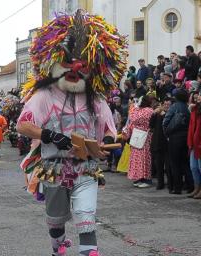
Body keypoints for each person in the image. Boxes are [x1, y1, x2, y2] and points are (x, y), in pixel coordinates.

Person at [17, 9, 127, 256]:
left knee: (86, 218)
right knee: (55, 222)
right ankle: (58, 249)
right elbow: (22, 125)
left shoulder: (96, 98)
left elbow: (110, 130)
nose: (75, 68)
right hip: (53, 168)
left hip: (86, 168)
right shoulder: (44, 96)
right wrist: (50, 135)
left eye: (83, 64)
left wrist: (106, 144)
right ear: (54, 62)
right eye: (68, 62)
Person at [163, 89, 193, 194]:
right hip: (186, 137)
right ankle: (191, 186)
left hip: (174, 138)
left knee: (175, 164)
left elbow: (165, 122)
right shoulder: (187, 108)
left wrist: (167, 134)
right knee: (185, 163)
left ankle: (177, 188)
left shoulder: (174, 107)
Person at [124, 96, 154, 188]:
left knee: (144, 157)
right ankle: (140, 178)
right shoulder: (144, 110)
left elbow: (133, 118)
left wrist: (135, 108)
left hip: (144, 136)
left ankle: (147, 179)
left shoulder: (148, 110)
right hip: (138, 135)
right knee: (138, 158)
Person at [150, 98, 172, 189]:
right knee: (158, 165)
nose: (166, 106)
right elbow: (151, 125)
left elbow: (169, 126)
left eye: (168, 105)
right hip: (157, 143)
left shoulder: (171, 114)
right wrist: (154, 113)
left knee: (168, 166)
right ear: (162, 105)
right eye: (165, 104)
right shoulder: (158, 114)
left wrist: (164, 115)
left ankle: (170, 184)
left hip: (168, 145)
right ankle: (160, 183)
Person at [187, 91, 201, 199]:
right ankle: (197, 188)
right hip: (194, 143)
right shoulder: (194, 110)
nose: (198, 97)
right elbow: (191, 127)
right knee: (193, 167)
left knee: (200, 167)